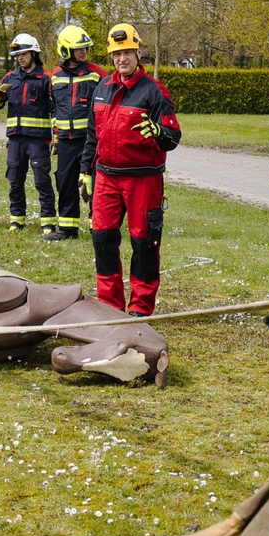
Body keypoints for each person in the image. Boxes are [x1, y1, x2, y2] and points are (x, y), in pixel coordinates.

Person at [79, 23, 181, 316]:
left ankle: (140, 308)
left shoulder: (155, 92)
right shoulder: (102, 88)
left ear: (139, 52)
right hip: (106, 178)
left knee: (144, 243)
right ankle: (110, 305)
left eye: (127, 53)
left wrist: (158, 132)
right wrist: (85, 171)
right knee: (102, 239)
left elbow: (173, 137)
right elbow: (92, 135)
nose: (121, 59)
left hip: (143, 181)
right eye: (116, 54)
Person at [46, 25, 107, 241]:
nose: (84, 52)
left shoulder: (97, 74)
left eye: (85, 48)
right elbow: (52, 105)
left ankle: (97, 227)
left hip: (91, 141)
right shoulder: (55, 76)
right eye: (79, 48)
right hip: (65, 142)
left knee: (95, 183)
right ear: (65, 50)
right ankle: (67, 228)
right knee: (64, 182)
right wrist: (54, 131)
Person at [0, 33, 56, 234]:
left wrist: (57, 133)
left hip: (38, 140)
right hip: (15, 139)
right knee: (15, 181)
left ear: (34, 53)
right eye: (17, 55)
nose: (20, 58)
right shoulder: (9, 78)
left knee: (42, 181)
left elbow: (55, 109)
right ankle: (17, 220)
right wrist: (0, 94)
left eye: (24, 54)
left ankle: (48, 222)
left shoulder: (46, 79)